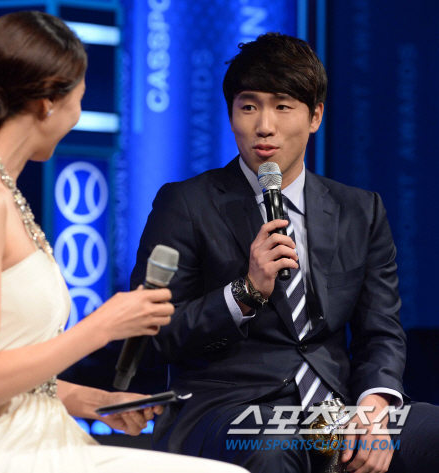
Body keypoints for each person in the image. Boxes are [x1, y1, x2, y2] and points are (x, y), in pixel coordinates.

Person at [0, 11, 247, 473]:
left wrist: (95, 401)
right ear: (48, 102)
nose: (79, 115)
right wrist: (102, 326)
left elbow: (11, 372)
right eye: (79, 99)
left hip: (28, 434)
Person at [131, 33, 439, 472]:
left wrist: (374, 408)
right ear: (231, 114)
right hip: (229, 408)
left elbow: (380, 333)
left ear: (315, 116)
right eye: (248, 107)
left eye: (282, 106)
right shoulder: (185, 204)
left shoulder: (359, 210)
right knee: (274, 445)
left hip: (334, 408)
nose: (264, 126)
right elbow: (154, 336)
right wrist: (245, 291)